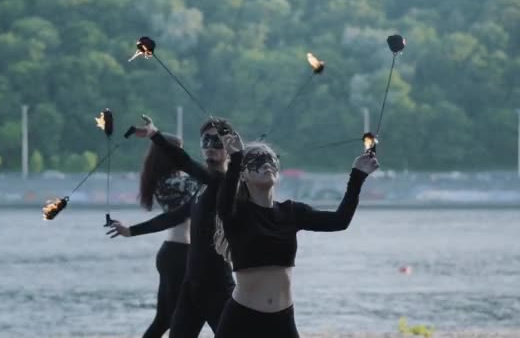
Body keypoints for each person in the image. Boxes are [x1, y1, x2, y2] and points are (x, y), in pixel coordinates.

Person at [213, 132, 379, 337]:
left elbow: (339, 221)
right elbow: (224, 203)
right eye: (256, 160)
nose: (266, 163)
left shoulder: (292, 212)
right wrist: (236, 157)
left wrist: (357, 175)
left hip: (282, 320)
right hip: (242, 320)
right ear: (243, 174)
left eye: (270, 159)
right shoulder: (236, 214)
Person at [107, 115, 237, 337]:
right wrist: (131, 231)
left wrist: (155, 136)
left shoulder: (223, 183)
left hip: (216, 283)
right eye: (205, 141)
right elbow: (174, 216)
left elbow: (184, 161)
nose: (209, 147)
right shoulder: (202, 187)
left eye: (217, 142)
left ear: (229, 147)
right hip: (191, 282)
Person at [105, 133, 198, 338]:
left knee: (166, 319)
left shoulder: (167, 181)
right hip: (179, 254)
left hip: (176, 253)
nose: (182, 154)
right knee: (174, 318)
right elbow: (205, 181)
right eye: (178, 150)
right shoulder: (175, 183)